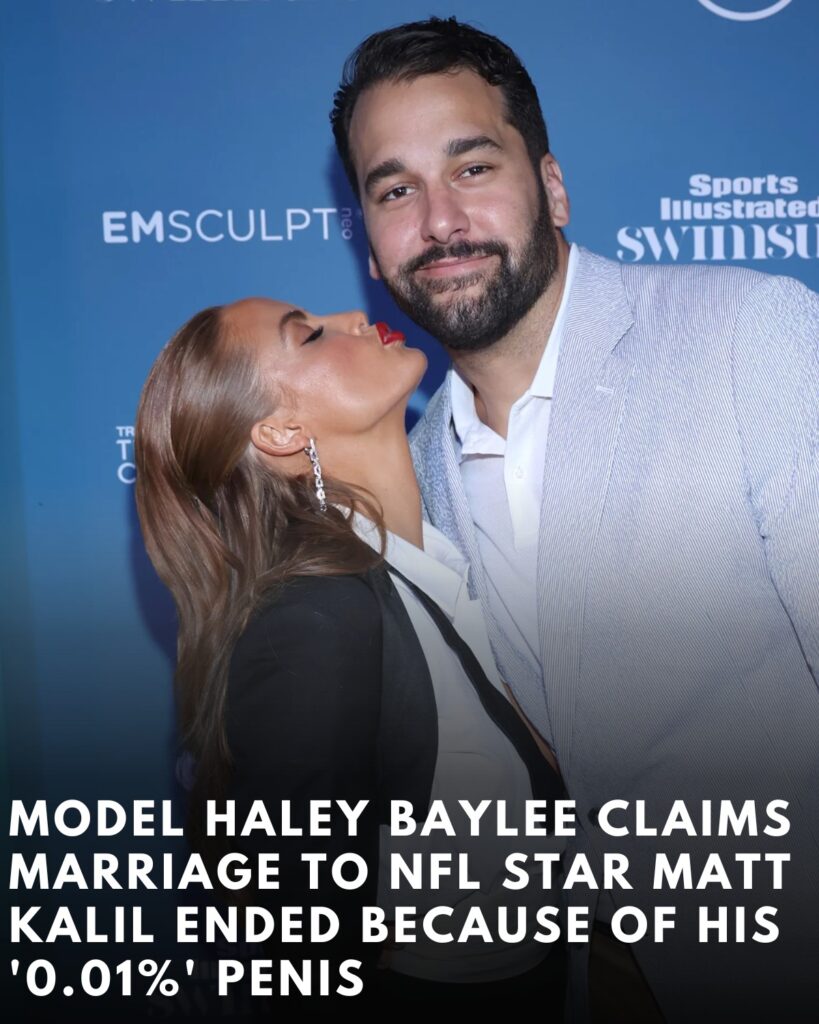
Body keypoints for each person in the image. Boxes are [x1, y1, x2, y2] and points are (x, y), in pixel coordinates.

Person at [330, 16, 819, 1023]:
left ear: (551, 188)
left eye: (472, 167)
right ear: (369, 246)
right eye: (394, 190)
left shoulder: (747, 333)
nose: (440, 221)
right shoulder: (415, 475)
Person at [134, 298, 568, 1009]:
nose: (351, 317)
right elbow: (306, 937)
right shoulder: (314, 616)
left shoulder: (440, 556)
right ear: (280, 432)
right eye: (309, 336)